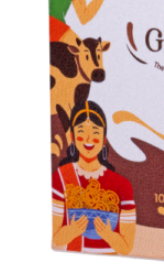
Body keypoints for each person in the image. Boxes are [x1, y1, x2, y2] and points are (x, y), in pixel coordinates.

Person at [52, 101, 136, 254]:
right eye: (81, 131)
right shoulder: (61, 177)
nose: (88, 139)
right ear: (72, 137)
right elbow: (56, 239)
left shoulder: (122, 185)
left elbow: (127, 248)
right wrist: (72, 230)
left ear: (104, 139)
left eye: (95, 132)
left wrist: (108, 235)